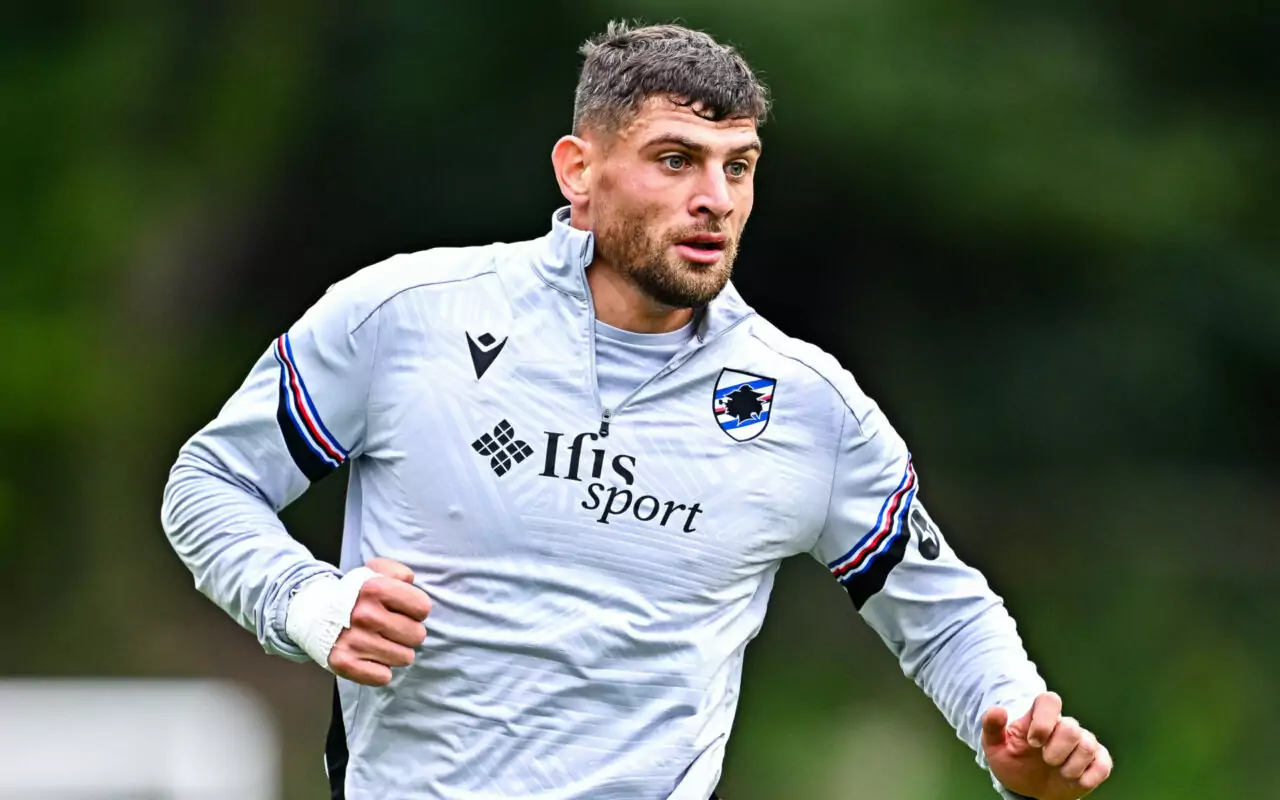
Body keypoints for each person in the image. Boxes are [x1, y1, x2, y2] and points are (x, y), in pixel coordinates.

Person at [161, 20, 1112, 800]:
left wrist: (1009, 723)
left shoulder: (810, 407)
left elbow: (942, 611)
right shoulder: (406, 316)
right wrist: (306, 601)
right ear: (579, 170)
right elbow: (210, 483)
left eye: (738, 167)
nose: (715, 200)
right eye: (675, 160)